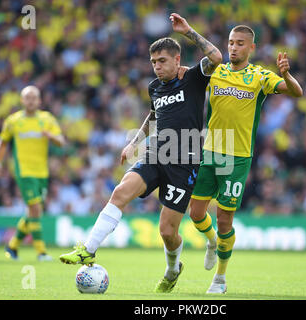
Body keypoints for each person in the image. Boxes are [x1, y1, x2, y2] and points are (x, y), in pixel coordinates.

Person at [59, 13, 222, 293]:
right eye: (153, 63)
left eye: (162, 61)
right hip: (157, 153)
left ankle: (173, 269)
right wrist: (134, 142)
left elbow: (217, 57)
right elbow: (154, 115)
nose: (157, 68)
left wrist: (188, 31)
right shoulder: (155, 87)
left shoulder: (194, 78)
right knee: (120, 192)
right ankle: (88, 249)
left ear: (176, 60)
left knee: (167, 232)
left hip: (184, 163)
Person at [186, 25, 303, 294]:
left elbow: (296, 92)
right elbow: (185, 76)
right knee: (196, 213)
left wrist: (286, 74)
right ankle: (212, 242)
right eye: (230, 42)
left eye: (240, 43)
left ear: (251, 48)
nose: (233, 47)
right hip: (209, 152)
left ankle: (220, 279)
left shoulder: (260, 76)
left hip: (237, 157)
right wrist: (188, 32)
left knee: (225, 220)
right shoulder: (216, 71)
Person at [0, 85, 65, 261]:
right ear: (22, 100)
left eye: (34, 97)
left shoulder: (47, 119)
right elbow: (2, 143)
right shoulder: (13, 121)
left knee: (34, 211)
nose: (31, 100)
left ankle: (12, 246)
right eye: (28, 97)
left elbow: (61, 141)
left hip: (42, 172)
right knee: (34, 208)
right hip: (23, 171)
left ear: (39, 101)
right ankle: (41, 252)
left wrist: (51, 136)